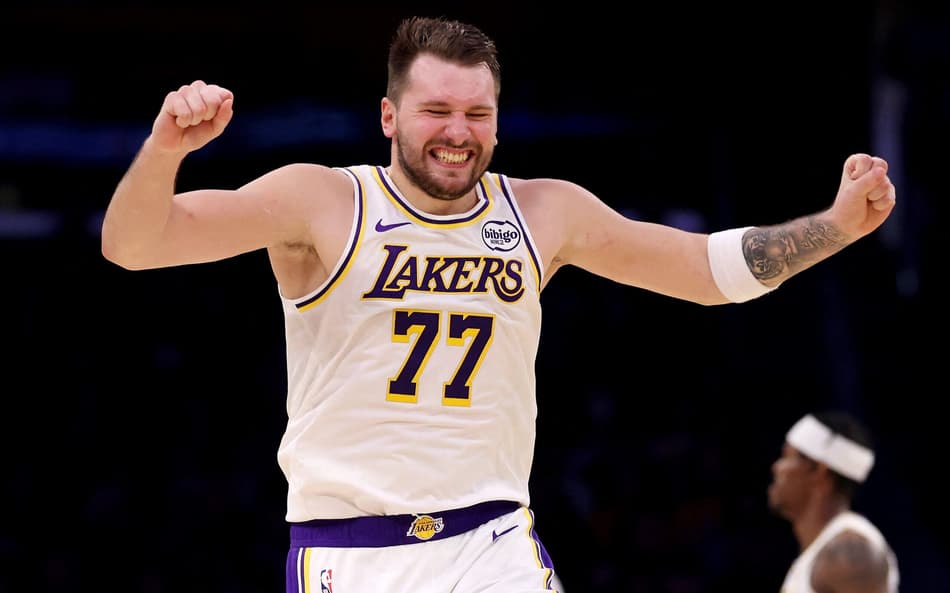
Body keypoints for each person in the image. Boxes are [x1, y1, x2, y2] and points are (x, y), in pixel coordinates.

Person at [100, 15, 896, 593]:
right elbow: (133, 243)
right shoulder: (322, 200)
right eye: (437, 111)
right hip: (351, 549)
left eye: (477, 114)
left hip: (492, 543)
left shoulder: (543, 211)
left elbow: (701, 268)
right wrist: (165, 149)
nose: (459, 132)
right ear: (389, 116)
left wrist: (833, 227)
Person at [768, 412, 900, 593]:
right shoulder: (824, 551)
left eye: (787, 457)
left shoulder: (849, 555)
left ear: (818, 471)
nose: (776, 468)